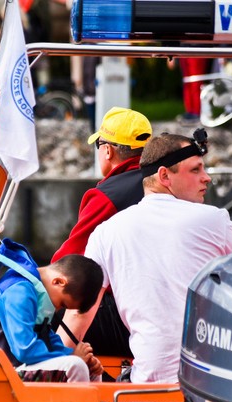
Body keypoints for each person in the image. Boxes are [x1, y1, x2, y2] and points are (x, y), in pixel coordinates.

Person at [73, 132, 232, 383]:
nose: (206, 178)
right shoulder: (216, 220)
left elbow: (79, 313)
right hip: (213, 385)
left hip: (146, 388)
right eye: (195, 170)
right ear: (164, 176)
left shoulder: (105, 232)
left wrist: (63, 358)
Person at [53, 108, 151, 357]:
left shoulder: (107, 197)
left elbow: (66, 263)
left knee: (38, 313)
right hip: (165, 310)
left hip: (124, 318)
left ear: (108, 150)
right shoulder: (164, 184)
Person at [0, 239, 104, 383]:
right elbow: (25, 349)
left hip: (13, 368)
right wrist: (73, 358)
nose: (57, 309)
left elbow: (47, 339)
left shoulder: (35, 292)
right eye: (62, 304)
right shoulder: (19, 291)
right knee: (76, 365)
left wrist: (73, 355)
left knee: (88, 370)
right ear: (59, 282)